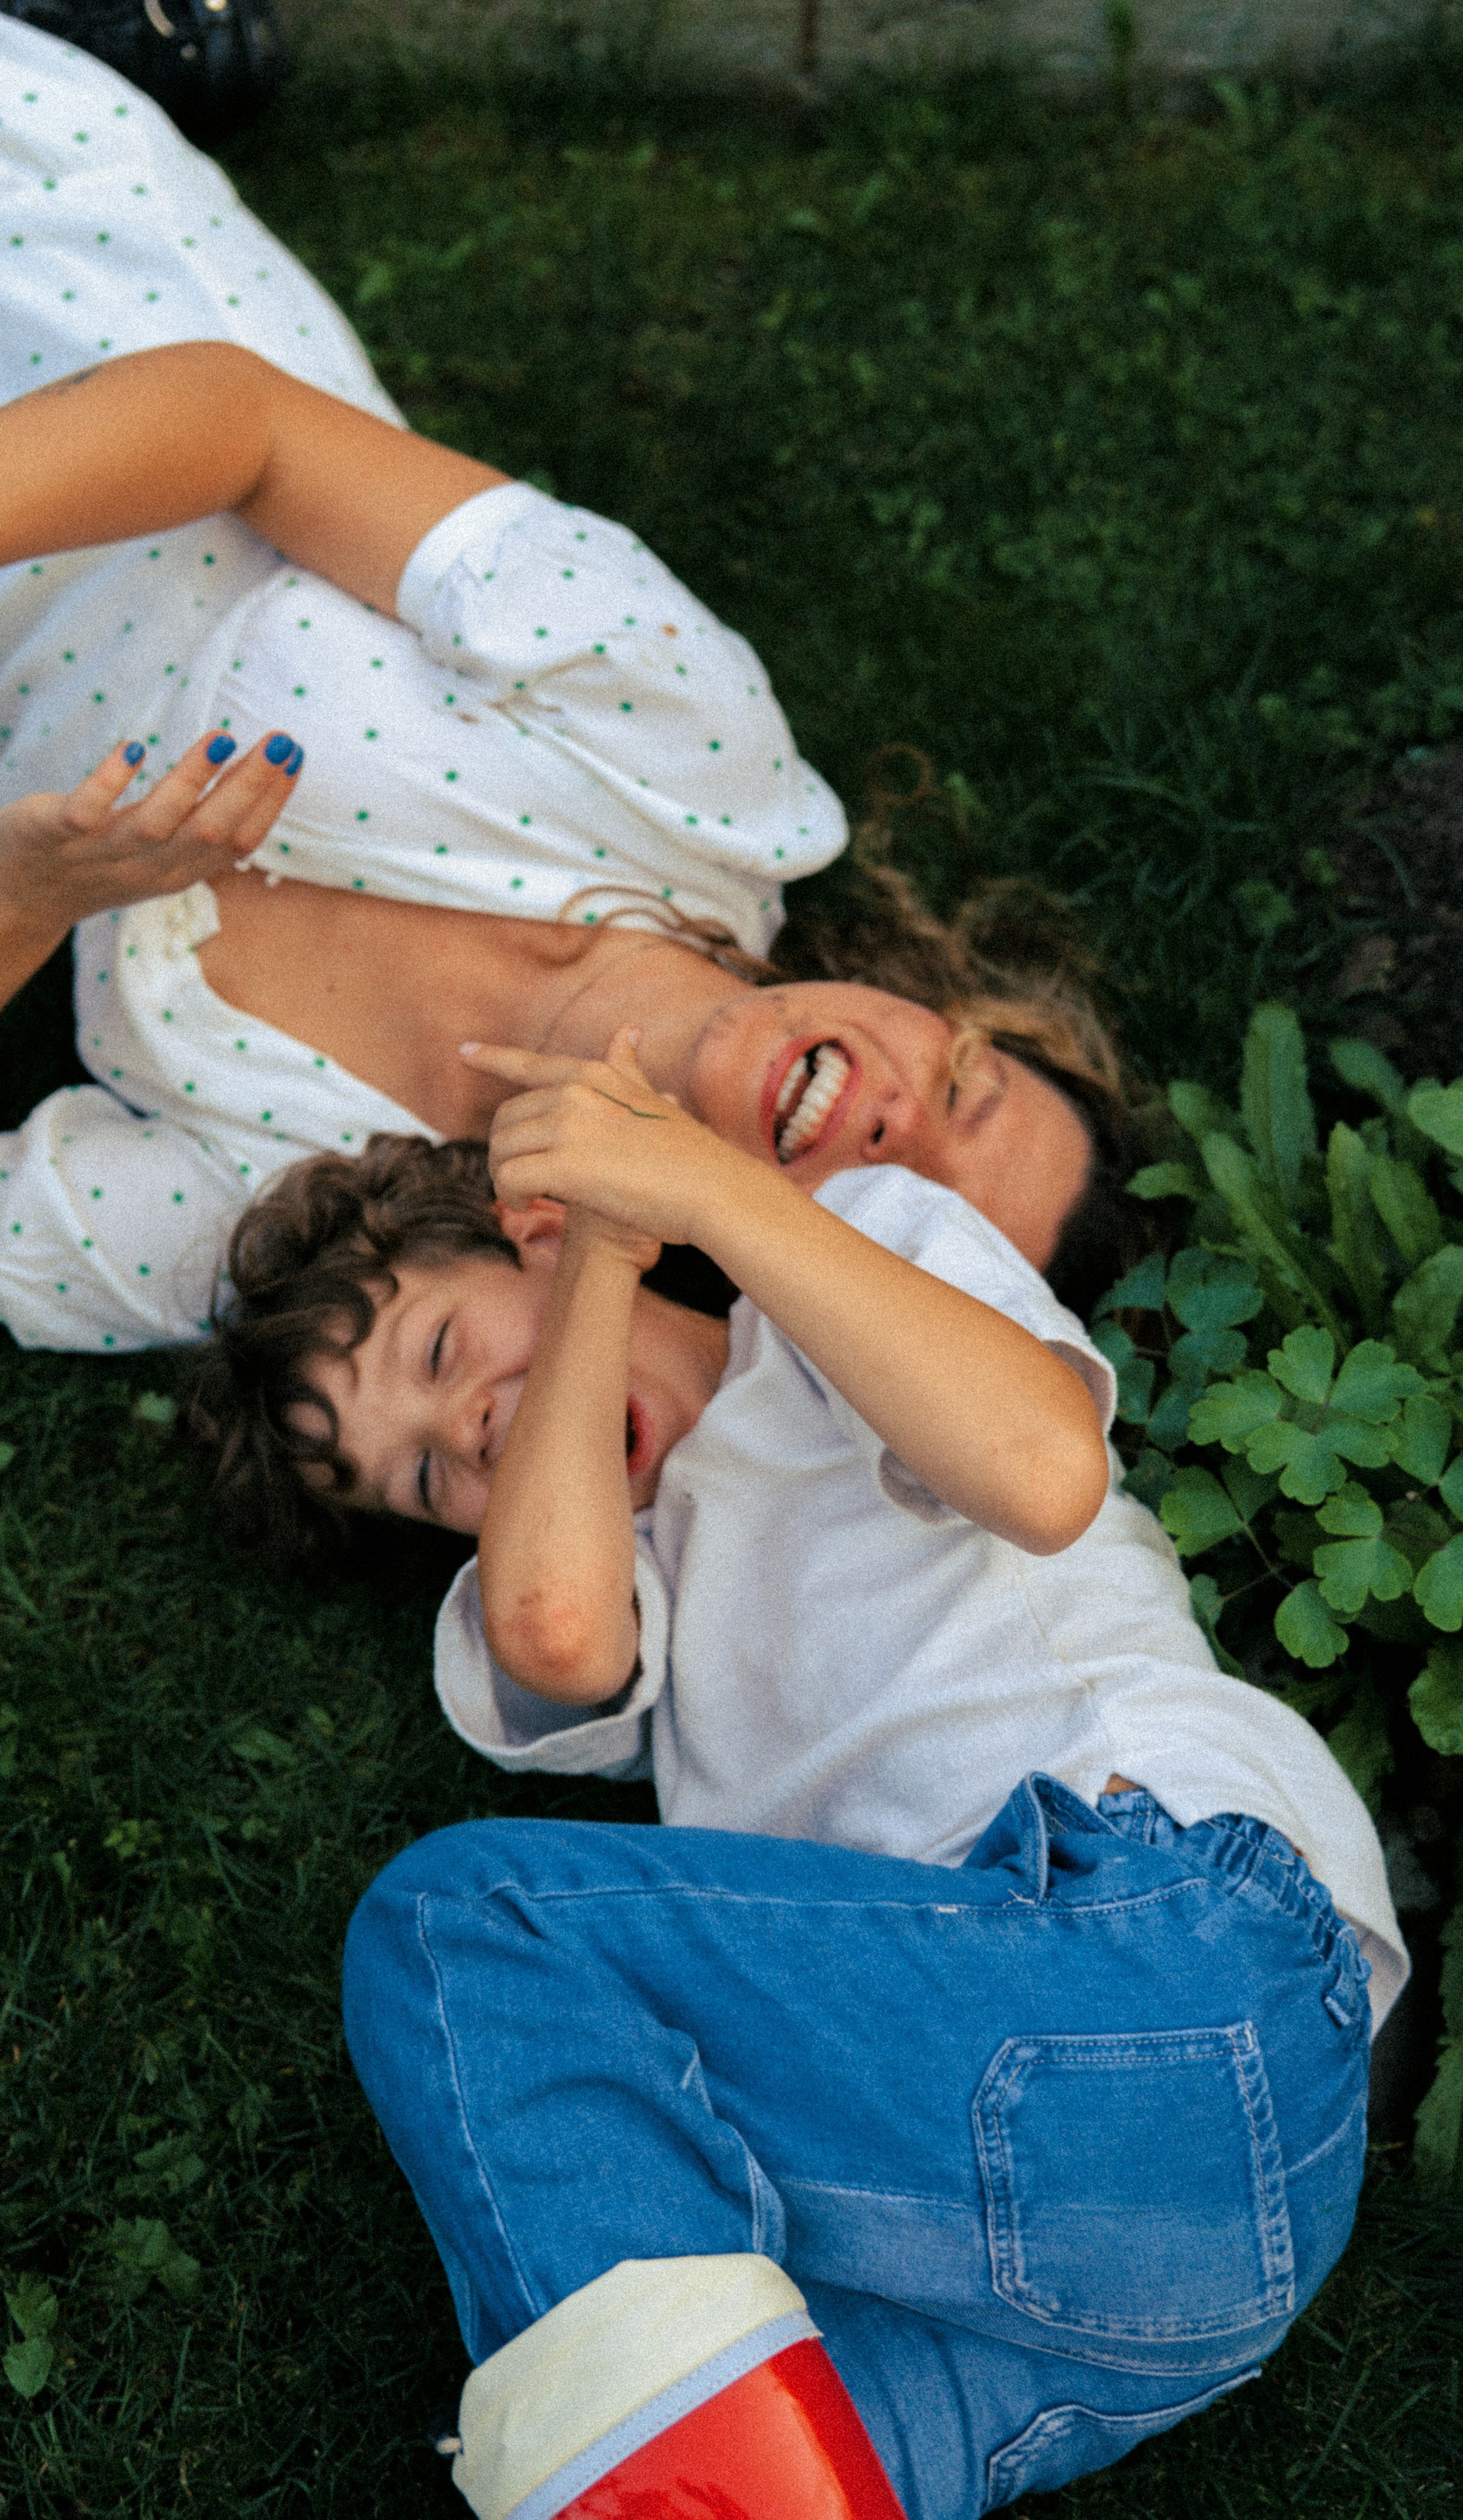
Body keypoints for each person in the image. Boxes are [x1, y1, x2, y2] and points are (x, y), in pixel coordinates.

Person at [285, 1034, 1404, 2517]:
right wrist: (594, 1273)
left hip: (1160, 1951)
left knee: (463, 1931)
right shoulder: (620, 1602)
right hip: (1083, 2284)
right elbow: (554, 1621)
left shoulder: (834, 1278)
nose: (472, 1428)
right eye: (427, 1478)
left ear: (527, 1229)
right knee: (671, 2468)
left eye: (441, 1353)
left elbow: (1040, 1471)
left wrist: (658, 1203)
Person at [0, 17, 1130, 1362]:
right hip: (62, 305)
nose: (899, 1119)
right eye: (963, 1087)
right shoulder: (698, 764)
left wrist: (29, 896)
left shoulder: (352, 1247)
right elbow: (247, 427)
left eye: (911, 1215)